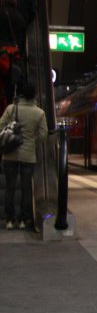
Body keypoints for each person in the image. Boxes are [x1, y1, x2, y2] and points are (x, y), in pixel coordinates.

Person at [0, 82, 47, 231]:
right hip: (29, 156)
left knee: (10, 187)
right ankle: (24, 219)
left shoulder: (11, 109)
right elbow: (44, 134)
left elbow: (1, 127)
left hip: (10, 155)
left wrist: (10, 134)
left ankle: (9, 219)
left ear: (20, 95)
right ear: (34, 96)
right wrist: (32, 140)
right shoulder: (39, 113)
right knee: (27, 188)